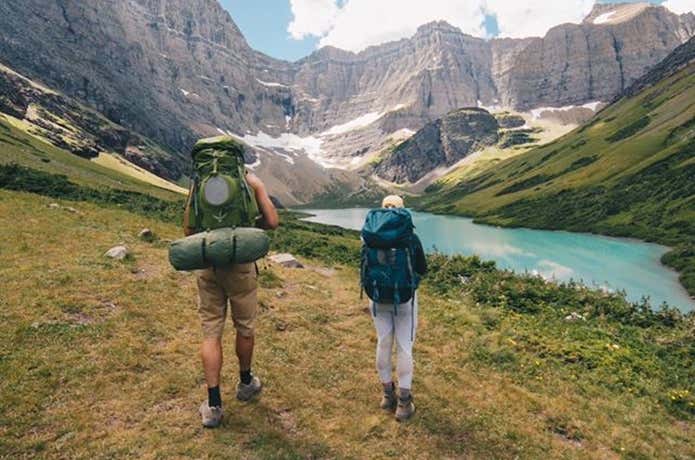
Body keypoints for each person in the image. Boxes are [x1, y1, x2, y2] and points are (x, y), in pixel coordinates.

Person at [183, 171, 279, 428]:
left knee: (211, 333)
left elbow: (188, 229)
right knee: (245, 327)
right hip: (241, 266)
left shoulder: (199, 182)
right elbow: (272, 221)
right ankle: (246, 383)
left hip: (208, 264)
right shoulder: (248, 181)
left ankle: (213, 405)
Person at [365, 195, 427, 421]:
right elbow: (422, 267)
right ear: (403, 211)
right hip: (404, 299)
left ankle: (387, 395)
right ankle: (404, 403)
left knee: (383, 342)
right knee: (404, 347)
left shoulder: (370, 236)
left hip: (377, 296)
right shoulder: (410, 236)